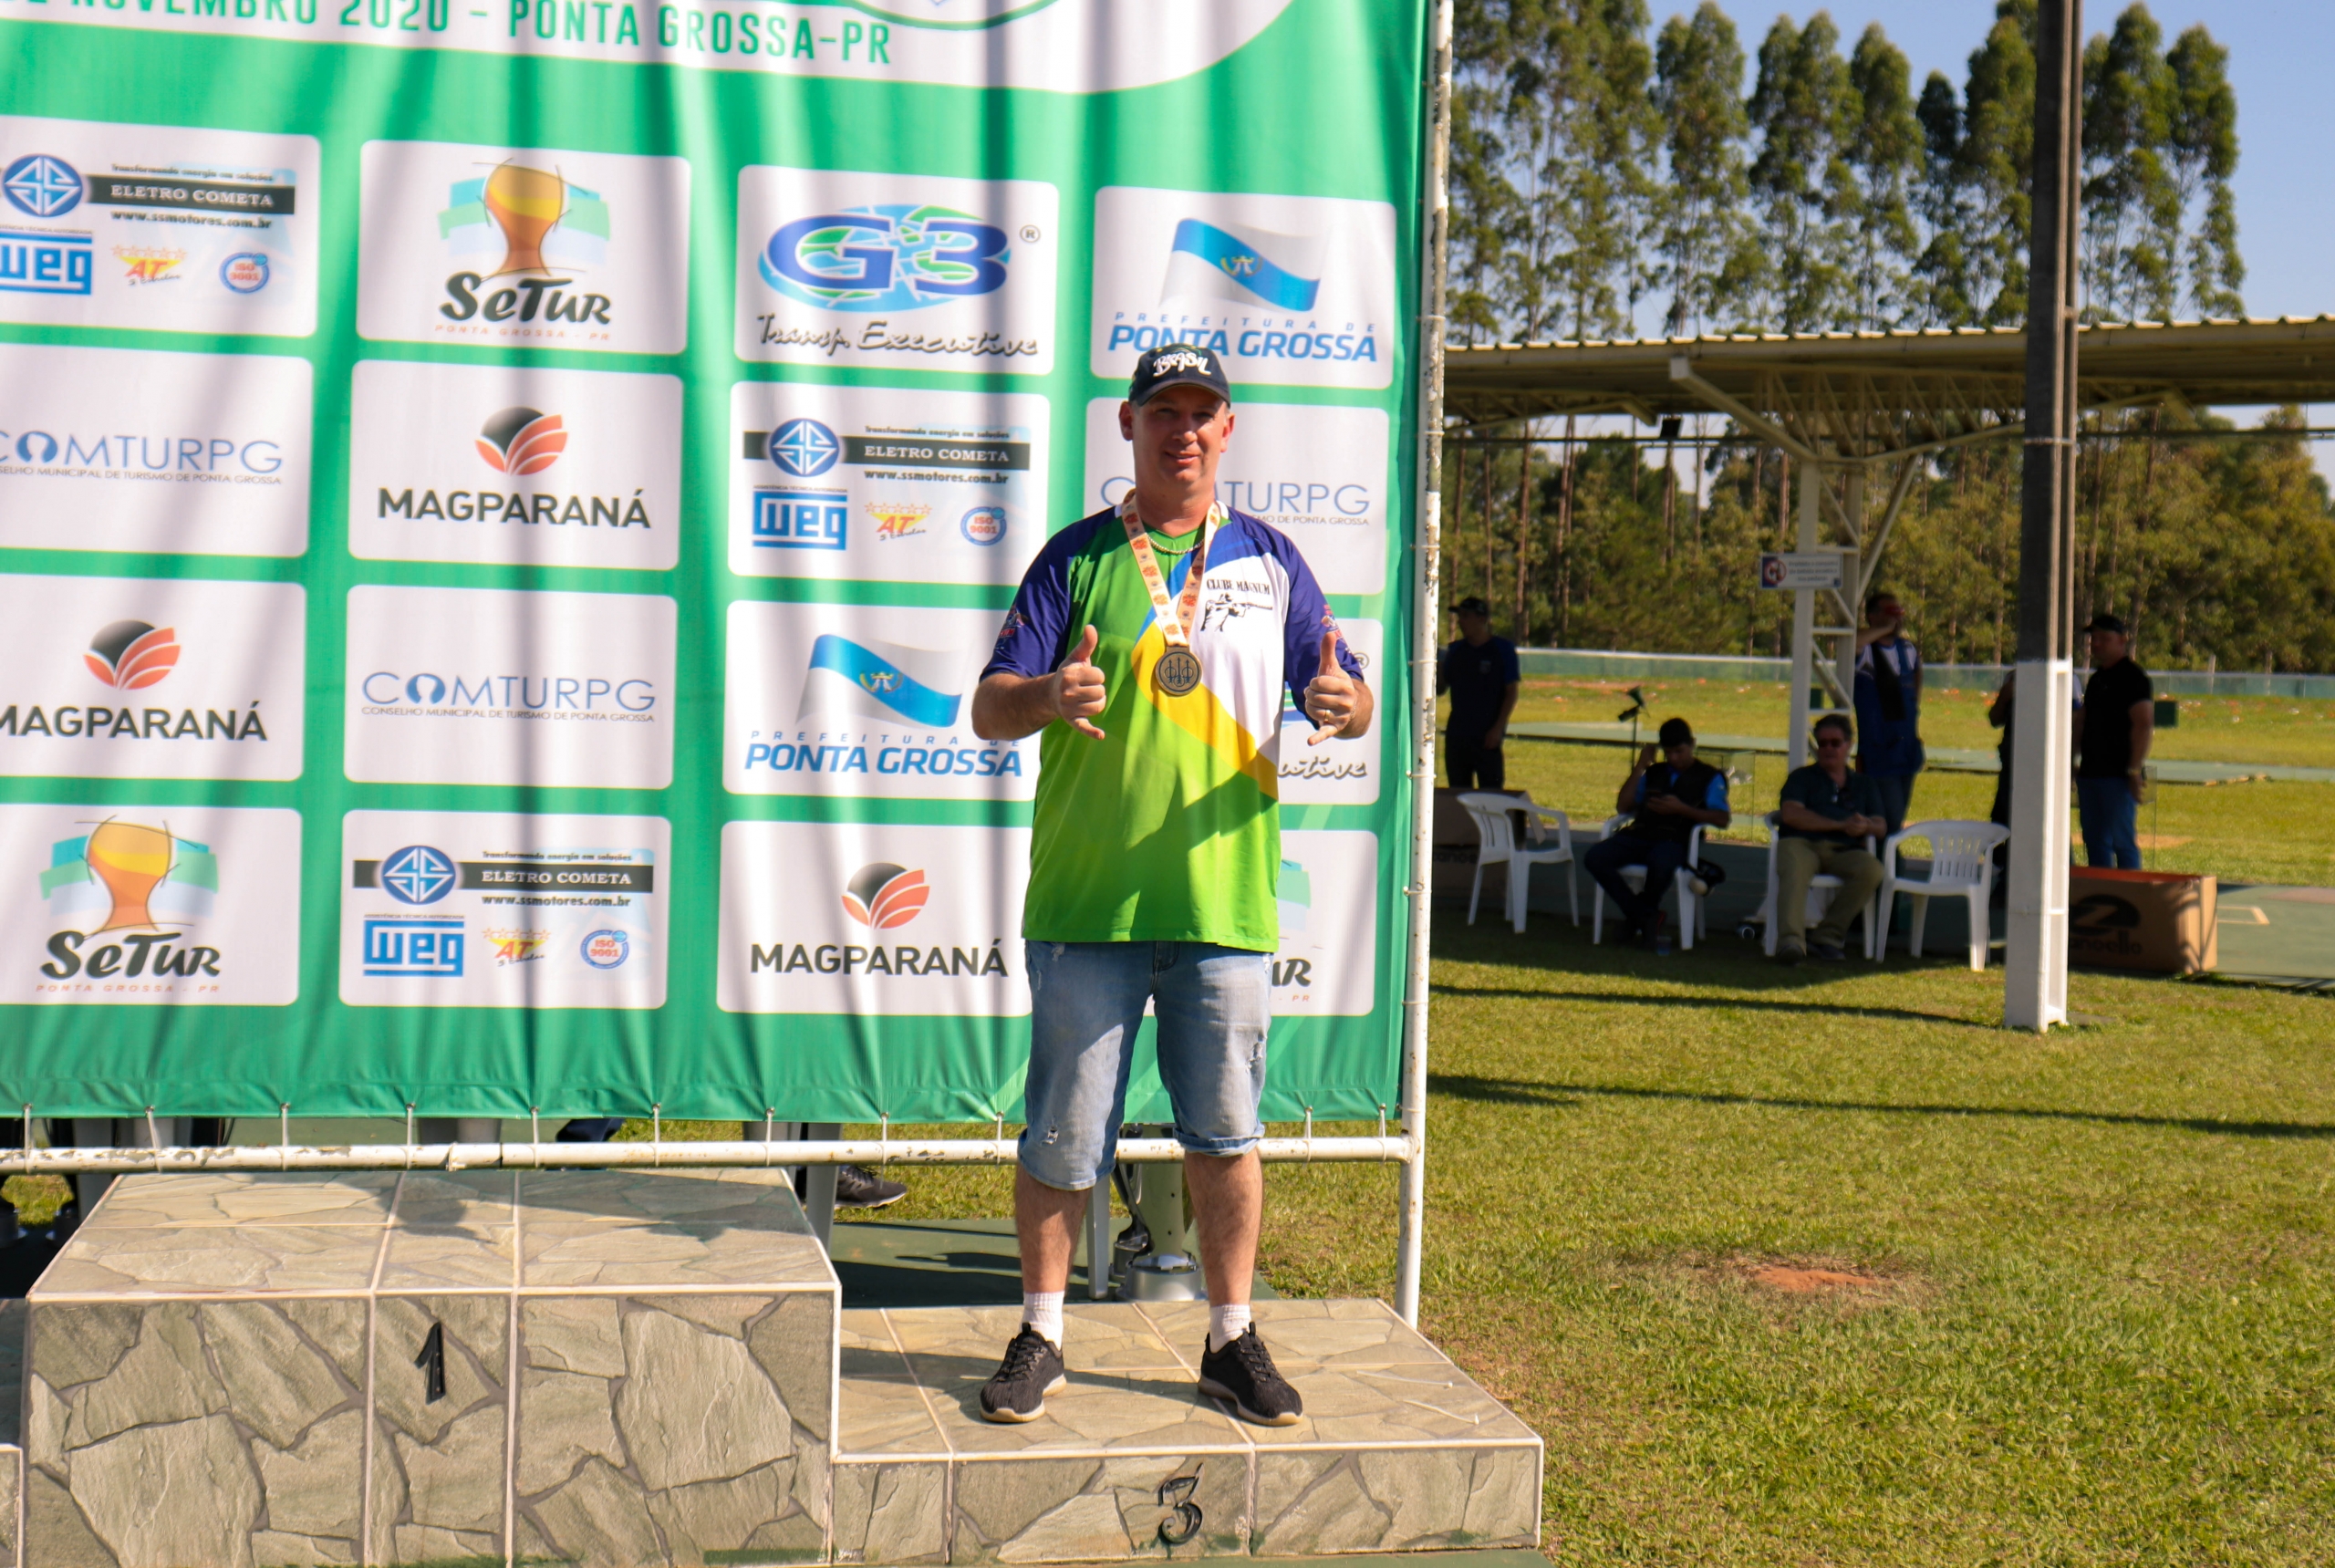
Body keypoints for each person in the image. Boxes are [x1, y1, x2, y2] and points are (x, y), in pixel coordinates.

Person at [970, 343, 1370, 1427]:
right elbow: (989, 707)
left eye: (1201, 413)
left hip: (1221, 905)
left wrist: (1346, 705)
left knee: (1226, 1137)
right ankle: (1041, 1335)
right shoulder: (1074, 558)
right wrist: (1048, 695)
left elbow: (1343, 688)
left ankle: (1229, 1339)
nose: (1181, 430)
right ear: (1128, 425)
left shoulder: (1272, 558)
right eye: (1162, 412)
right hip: (1087, 903)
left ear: (1226, 429)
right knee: (1061, 1138)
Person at [1580, 717, 1730, 953]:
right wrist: (1640, 766)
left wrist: (1682, 809)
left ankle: (1638, 919)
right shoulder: (1654, 772)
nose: (1674, 759)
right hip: (1640, 834)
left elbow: (1722, 818)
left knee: (1661, 862)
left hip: (1674, 839)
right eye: (1668, 753)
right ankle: (1644, 915)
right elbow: (1623, 806)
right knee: (1595, 857)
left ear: (1692, 744)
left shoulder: (1709, 777)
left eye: (1679, 752)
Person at [1772, 712, 1889, 964]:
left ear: (1849, 745)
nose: (1828, 749)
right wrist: (1840, 824)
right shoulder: (1802, 778)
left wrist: (1864, 825)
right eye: (1822, 743)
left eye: (1835, 743)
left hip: (1844, 850)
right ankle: (1791, 943)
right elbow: (1791, 814)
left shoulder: (1864, 784)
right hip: (1802, 843)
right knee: (1794, 867)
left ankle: (1827, 937)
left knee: (1872, 870)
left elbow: (1881, 826)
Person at [2075, 613, 2153, 868]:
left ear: (2122, 640)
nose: (2097, 644)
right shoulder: (2097, 679)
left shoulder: (2134, 678)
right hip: (2090, 772)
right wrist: (2072, 758)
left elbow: (2143, 724)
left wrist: (2133, 770)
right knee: (2094, 840)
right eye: (2094, 639)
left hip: (2118, 776)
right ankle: (2101, 889)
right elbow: (2082, 721)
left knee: (2122, 841)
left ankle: (2130, 889)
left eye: (2104, 638)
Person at [1852, 590, 1924, 836]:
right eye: (1890, 612)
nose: (1897, 618)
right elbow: (1854, 641)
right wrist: (1884, 629)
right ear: (1873, 616)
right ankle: (1888, 857)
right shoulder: (1866, 651)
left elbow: (1917, 680)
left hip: (1906, 748)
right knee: (1889, 820)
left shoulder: (1908, 649)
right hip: (1879, 750)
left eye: (1899, 612)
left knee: (1899, 814)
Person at [1437, 597, 1520, 790]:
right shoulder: (1455, 650)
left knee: (1491, 795)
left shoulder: (1502, 649)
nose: (1461, 621)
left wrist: (1498, 728)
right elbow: (1440, 689)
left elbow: (1511, 692)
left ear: (1481, 619)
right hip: (1458, 735)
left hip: (1487, 735)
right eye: (1459, 616)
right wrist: (1439, 664)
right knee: (1458, 793)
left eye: (1466, 616)